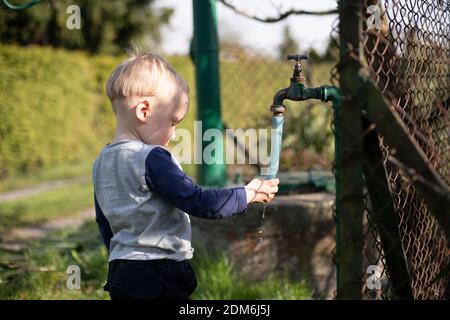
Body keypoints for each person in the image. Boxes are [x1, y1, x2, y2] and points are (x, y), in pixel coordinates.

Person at [92, 52, 279, 300]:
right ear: (144, 110)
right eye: (173, 121)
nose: (173, 132)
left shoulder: (101, 162)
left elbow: (104, 223)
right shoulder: (152, 158)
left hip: (121, 273)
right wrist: (248, 194)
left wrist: (121, 255)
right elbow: (198, 202)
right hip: (158, 272)